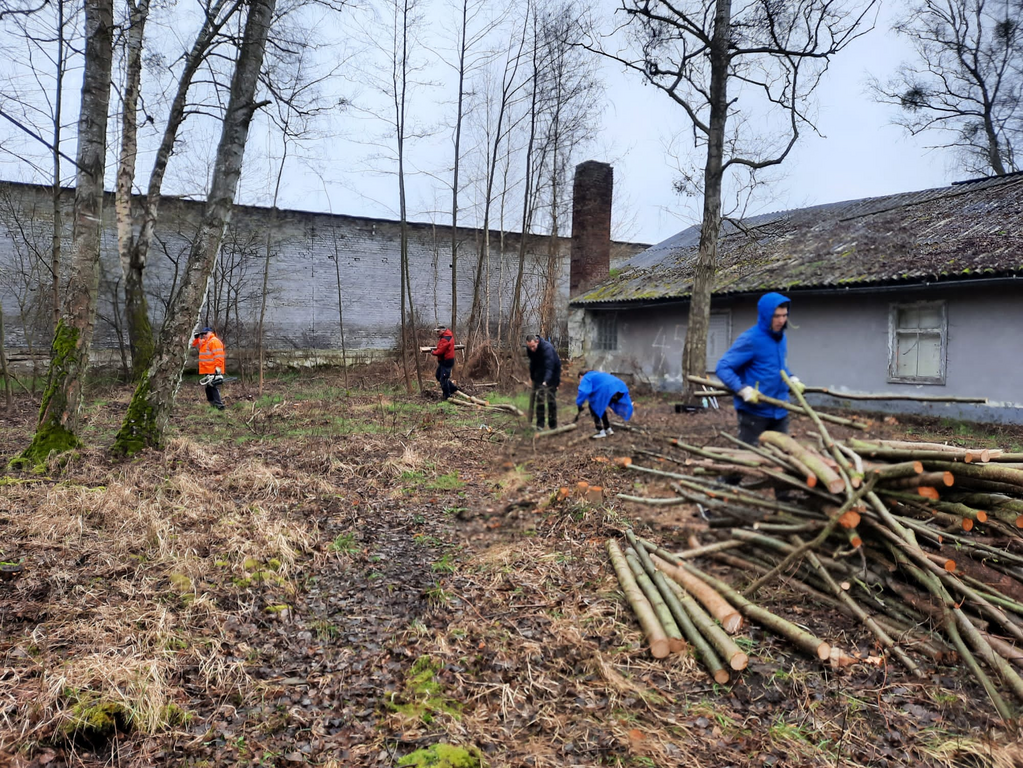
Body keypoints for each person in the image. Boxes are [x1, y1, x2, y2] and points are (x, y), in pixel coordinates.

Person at [714, 292, 803, 445]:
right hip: (754, 412)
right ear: (765, 315)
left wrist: (791, 378)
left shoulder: (780, 338)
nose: (781, 320)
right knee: (751, 456)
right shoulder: (750, 339)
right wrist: (742, 389)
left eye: (784, 315)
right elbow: (723, 367)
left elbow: (778, 368)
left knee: (782, 456)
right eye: (776, 316)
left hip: (780, 409)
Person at [574, 370, 633, 439]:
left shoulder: (586, 377)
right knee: (600, 407)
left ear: (581, 376)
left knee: (593, 407)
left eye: (579, 380)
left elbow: (584, 391)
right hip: (619, 388)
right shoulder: (596, 375)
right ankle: (608, 429)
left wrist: (579, 403)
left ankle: (600, 430)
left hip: (608, 389)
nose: (580, 382)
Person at [525, 334, 561, 430]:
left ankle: (553, 425)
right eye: (529, 347)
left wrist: (546, 382)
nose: (532, 349)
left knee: (551, 400)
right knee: (539, 399)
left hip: (552, 373)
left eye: (533, 346)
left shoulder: (547, 348)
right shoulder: (529, 349)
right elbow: (532, 364)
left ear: (537, 341)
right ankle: (540, 425)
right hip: (540, 373)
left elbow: (550, 367)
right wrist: (532, 378)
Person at [191, 326, 226, 411]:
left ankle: (218, 405)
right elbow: (195, 344)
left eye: (205, 333)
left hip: (213, 369)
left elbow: (219, 355)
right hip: (208, 369)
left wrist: (218, 367)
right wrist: (196, 338)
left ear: (210, 333)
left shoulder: (214, 342)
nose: (204, 335)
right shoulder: (205, 342)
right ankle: (213, 404)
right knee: (209, 387)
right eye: (202, 334)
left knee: (212, 386)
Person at [431, 326, 459, 400]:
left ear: (443, 331)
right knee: (438, 376)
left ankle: (447, 396)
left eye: (438, 331)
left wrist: (433, 352)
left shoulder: (445, 339)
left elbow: (440, 351)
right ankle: (453, 388)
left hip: (446, 361)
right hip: (443, 361)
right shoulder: (446, 337)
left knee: (443, 378)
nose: (437, 333)